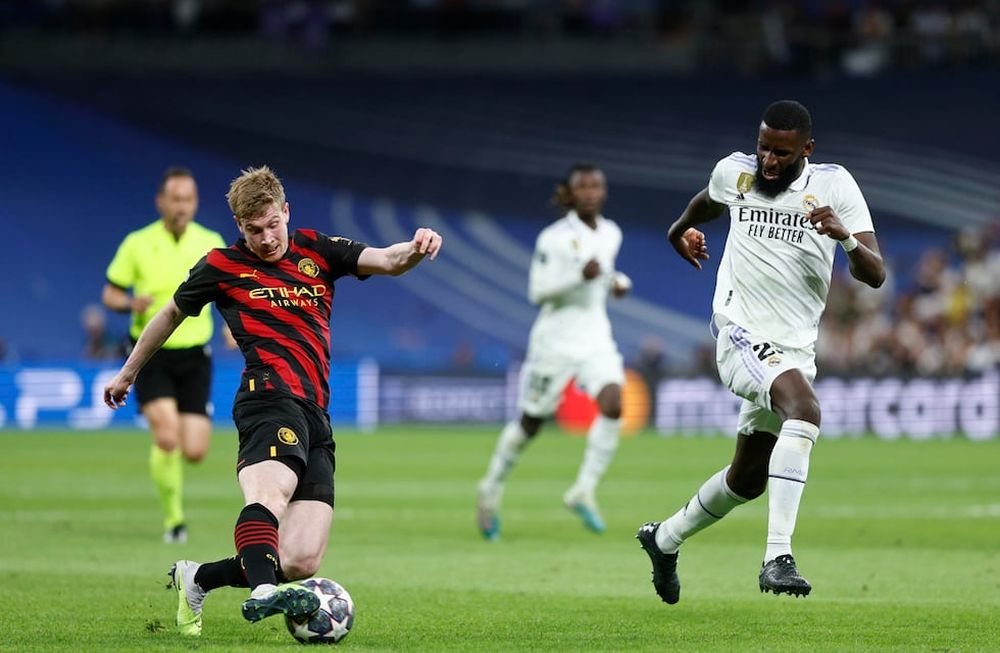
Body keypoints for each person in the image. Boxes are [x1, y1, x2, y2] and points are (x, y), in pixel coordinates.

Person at [104, 165, 442, 636]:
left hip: (316, 414)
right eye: (253, 230)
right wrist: (128, 372)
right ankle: (263, 590)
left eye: (272, 225)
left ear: (286, 211)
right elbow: (170, 314)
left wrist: (417, 246)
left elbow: (388, 259)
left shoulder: (317, 249)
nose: (265, 239)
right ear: (239, 226)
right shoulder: (222, 265)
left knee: (300, 559)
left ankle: (196, 579)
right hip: (266, 398)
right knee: (269, 495)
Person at [638, 100, 885, 603]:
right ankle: (778, 557)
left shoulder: (835, 186)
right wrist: (676, 231)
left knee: (747, 480)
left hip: (795, 349)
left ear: (807, 149)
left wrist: (845, 239)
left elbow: (874, 274)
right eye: (763, 148)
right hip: (739, 333)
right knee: (805, 411)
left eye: (781, 153)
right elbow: (708, 201)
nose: (768, 162)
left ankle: (664, 539)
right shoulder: (736, 172)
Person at [476, 163, 632, 540]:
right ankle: (490, 488)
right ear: (571, 193)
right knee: (531, 423)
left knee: (614, 403)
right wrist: (579, 276)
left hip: (595, 336)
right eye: (583, 187)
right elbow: (537, 292)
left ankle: (583, 490)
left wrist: (616, 282)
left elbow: (604, 274)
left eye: (596, 186)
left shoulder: (611, 232)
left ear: (604, 192)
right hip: (555, 341)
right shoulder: (554, 238)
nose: (591, 193)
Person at [102, 166, 227, 543]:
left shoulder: (211, 241)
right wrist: (129, 303)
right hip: (150, 353)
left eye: (188, 199)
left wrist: (230, 328)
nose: (181, 206)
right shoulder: (137, 243)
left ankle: (173, 496)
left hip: (196, 355)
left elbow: (230, 290)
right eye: (175, 199)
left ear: (196, 203)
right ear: (161, 202)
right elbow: (111, 293)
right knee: (168, 437)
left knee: (195, 450)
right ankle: (175, 522)